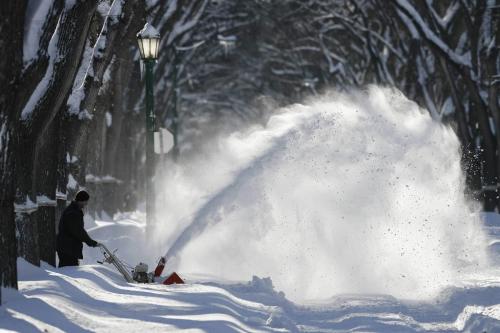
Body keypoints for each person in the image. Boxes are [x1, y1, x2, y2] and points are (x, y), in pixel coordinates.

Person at [56, 190, 99, 267]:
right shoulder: (72, 212)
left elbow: (78, 230)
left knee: (69, 270)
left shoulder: (74, 210)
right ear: (81, 200)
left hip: (68, 247)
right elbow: (78, 231)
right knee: (69, 271)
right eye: (86, 201)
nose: (86, 204)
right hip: (67, 247)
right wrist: (90, 242)